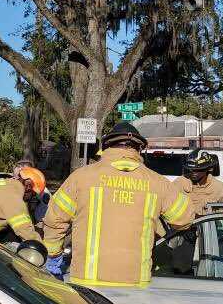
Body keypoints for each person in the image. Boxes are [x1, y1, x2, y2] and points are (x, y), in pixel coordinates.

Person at [42, 122, 194, 288]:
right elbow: (184, 219)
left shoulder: (81, 177)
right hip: (135, 283)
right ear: (139, 148)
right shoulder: (157, 182)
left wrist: (54, 255)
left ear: (107, 146)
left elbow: (55, 220)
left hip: (87, 281)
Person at [176, 150, 223, 217]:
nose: (193, 173)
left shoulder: (219, 188)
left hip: (208, 226)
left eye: (198, 170)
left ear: (208, 169)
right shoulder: (179, 183)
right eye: (191, 169)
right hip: (183, 226)